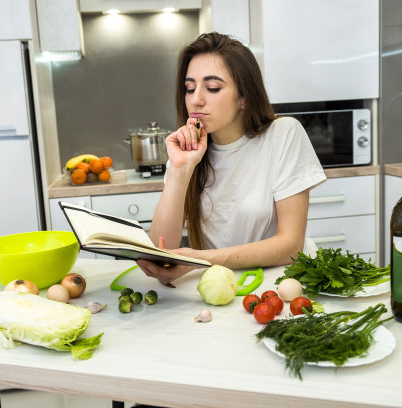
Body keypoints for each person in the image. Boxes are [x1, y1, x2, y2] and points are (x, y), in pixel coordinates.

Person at [136, 32, 326, 286]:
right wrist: (180, 171)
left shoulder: (283, 134)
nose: (196, 99)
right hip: (221, 284)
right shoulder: (188, 151)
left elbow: (290, 246)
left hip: (279, 283)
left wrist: (202, 259)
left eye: (213, 88)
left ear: (244, 98)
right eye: (190, 88)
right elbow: (159, 253)